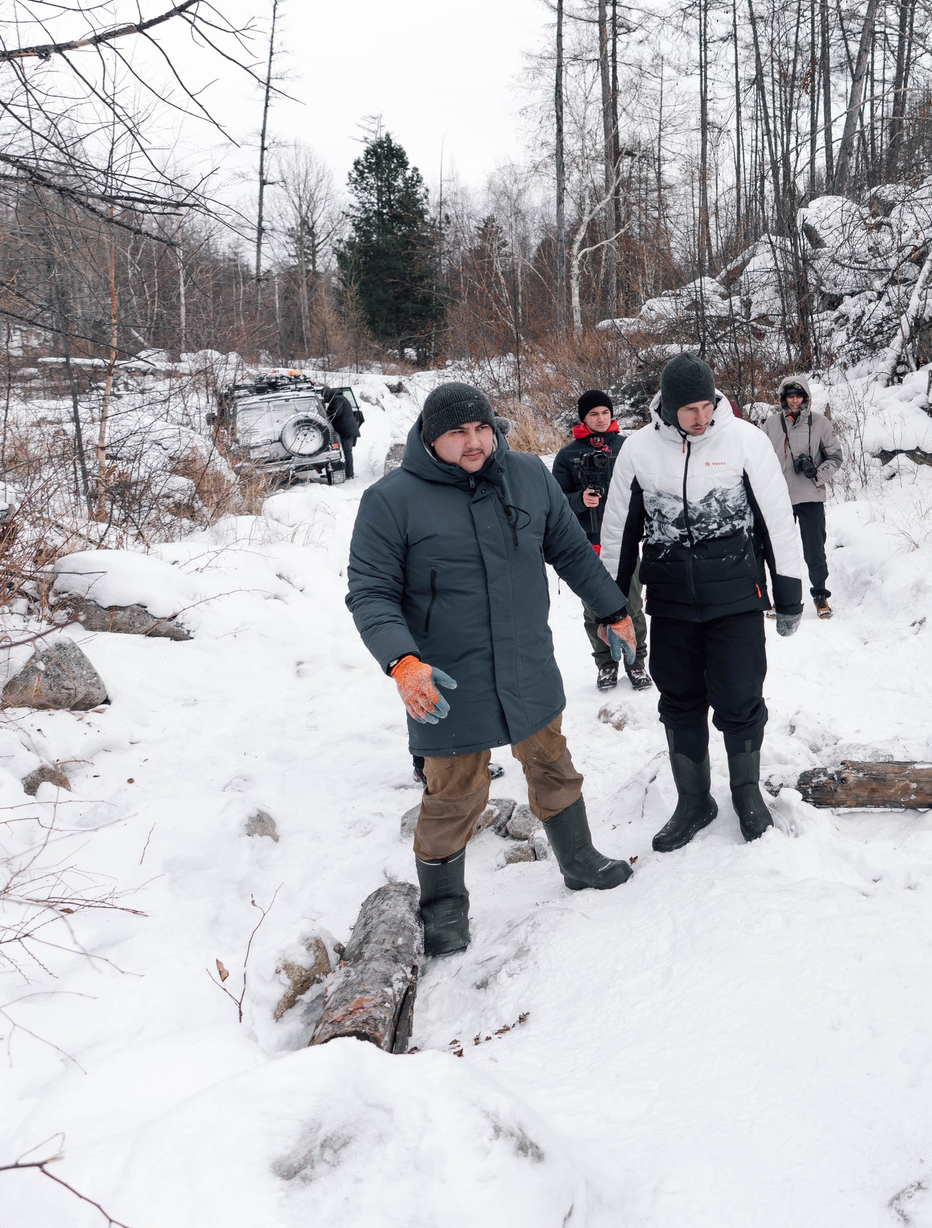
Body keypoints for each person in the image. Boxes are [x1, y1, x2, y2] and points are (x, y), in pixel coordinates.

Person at [346, 381, 644, 958]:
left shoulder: (528, 475)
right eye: (458, 432)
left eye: (482, 428)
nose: (474, 442)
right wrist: (402, 662)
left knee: (552, 761)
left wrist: (613, 611)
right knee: (454, 790)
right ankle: (444, 906)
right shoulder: (391, 500)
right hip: (446, 674)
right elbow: (371, 592)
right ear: (430, 438)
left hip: (526, 657)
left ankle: (579, 860)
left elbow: (571, 551)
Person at [598, 353, 808, 849]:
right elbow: (619, 533)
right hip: (671, 603)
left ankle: (746, 794)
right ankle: (694, 801)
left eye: (706, 406)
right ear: (667, 407)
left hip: (736, 599)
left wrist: (789, 595)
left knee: (740, 697)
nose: (700, 417)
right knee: (678, 701)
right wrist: (611, 609)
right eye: (688, 409)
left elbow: (776, 520)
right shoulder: (639, 451)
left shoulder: (744, 441)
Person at [552, 388, 651, 693]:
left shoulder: (627, 447)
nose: (600, 418)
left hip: (623, 540)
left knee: (631, 604)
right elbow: (555, 502)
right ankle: (606, 663)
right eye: (593, 414)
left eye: (605, 412)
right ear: (583, 418)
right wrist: (579, 500)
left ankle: (636, 662)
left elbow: (646, 487)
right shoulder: (568, 455)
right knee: (595, 608)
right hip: (587, 545)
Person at [759, 374, 842, 618]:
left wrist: (817, 475)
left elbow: (835, 457)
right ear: (783, 398)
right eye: (790, 396)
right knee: (779, 551)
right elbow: (759, 459)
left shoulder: (820, 423)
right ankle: (783, 601)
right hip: (780, 498)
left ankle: (820, 596)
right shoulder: (771, 424)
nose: (795, 401)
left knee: (814, 551)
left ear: (806, 398)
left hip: (810, 497)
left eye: (799, 396)